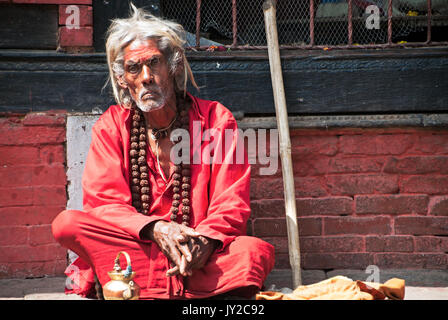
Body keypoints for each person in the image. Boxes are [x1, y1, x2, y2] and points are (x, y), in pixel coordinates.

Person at [52, 4, 275, 299]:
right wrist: (156, 229)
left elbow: (231, 203)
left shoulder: (216, 120)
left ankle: (149, 288)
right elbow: (105, 204)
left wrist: (204, 242)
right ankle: (181, 288)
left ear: (174, 65)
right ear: (123, 79)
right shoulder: (111, 126)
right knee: (67, 223)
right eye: (134, 68)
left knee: (252, 252)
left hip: (197, 253)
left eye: (153, 63)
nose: (145, 76)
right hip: (137, 246)